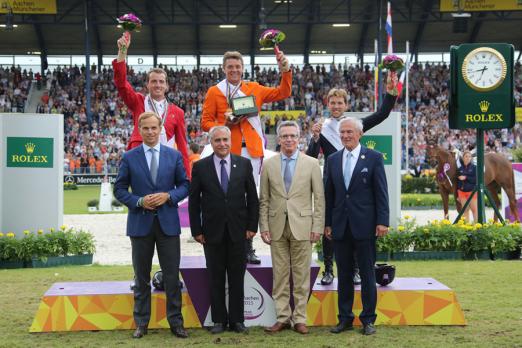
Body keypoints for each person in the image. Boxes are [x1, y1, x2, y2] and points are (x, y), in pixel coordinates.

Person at [307, 72, 398, 286]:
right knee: (329, 228)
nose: (336, 106)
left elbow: (382, 114)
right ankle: (328, 269)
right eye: (333, 102)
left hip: (355, 187)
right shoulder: (322, 126)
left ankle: (356, 270)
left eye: (340, 102)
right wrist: (315, 138)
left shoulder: (356, 125)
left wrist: (391, 91)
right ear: (327, 104)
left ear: (346, 105)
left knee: (356, 228)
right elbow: (311, 158)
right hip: (332, 186)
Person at [201, 50, 291, 264]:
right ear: (224, 69)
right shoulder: (215, 91)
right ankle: (229, 242)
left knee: (252, 196)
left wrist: (285, 69)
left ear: (243, 68)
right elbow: (205, 122)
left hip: (251, 151)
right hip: (227, 150)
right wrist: (224, 124)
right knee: (231, 198)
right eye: (230, 67)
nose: (234, 70)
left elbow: (283, 92)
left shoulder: (254, 88)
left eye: (237, 66)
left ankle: (248, 245)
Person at [114, 112, 189, 339]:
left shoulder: (173, 155)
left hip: (167, 223)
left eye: (154, 128)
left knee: (171, 276)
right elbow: (119, 189)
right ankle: (142, 323)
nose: (150, 132)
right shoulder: (129, 157)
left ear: (160, 129)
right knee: (141, 276)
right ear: (139, 129)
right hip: (140, 224)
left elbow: (185, 185)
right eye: (145, 128)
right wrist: (138, 201)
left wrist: (168, 196)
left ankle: (176, 322)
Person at [188, 126, 259, 334]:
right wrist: (196, 230)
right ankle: (219, 320)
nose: (222, 144)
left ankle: (237, 320)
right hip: (211, 233)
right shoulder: (200, 167)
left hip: (239, 232)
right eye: (217, 140)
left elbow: (252, 199)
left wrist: (252, 226)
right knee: (216, 277)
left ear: (231, 140)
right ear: (211, 142)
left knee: (237, 277)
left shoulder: (244, 164)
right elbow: (194, 202)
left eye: (225, 139)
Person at [324, 117, 389, 336]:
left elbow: (381, 192)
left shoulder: (374, 158)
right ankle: (345, 319)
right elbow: (329, 195)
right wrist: (328, 224)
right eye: (342, 132)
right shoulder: (332, 159)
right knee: (343, 274)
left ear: (360, 134)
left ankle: (368, 319)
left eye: (349, 132)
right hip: (341, 227)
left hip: (365, 226)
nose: (345, 136)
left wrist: (382, 221)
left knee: (368, 275)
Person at [259, 121, 324, 335]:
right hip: (276, 227)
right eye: (285, 136)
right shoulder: (268, 164)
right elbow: (264, 200)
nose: (289, 139)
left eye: (293, 136)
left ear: (299, 138)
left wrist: (317, 226)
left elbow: (319, 199)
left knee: (301, 275)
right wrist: (264, 226)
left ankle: (300, 319)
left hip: (303, 227)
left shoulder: (312, 163)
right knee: (280, 275)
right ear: (278, 139)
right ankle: (282, 318)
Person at [112, 33, 191, 177]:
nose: (157, 85)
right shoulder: (138, 102)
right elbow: (121, 84)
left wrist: (188, 178)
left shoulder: (177, 112)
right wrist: (122, 52)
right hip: (141, 159)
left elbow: (182, 147)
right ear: (147, 84)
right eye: (153, 81)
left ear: (167, 86)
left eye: (161, 82)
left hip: (166, 164)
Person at [457, 150, 477, 222]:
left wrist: (466, 177)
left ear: (471, 158)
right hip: (462, 192)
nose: (468, 158)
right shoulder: (459, 169)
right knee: (465, 210)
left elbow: (476, 180)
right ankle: (467, 227)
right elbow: (458, 182)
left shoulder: (475, 168)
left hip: (472, 191)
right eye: (466, 156)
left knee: (474, 210)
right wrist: (457, 195)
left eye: (469, 157)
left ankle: (477, 227)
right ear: (463, 158)